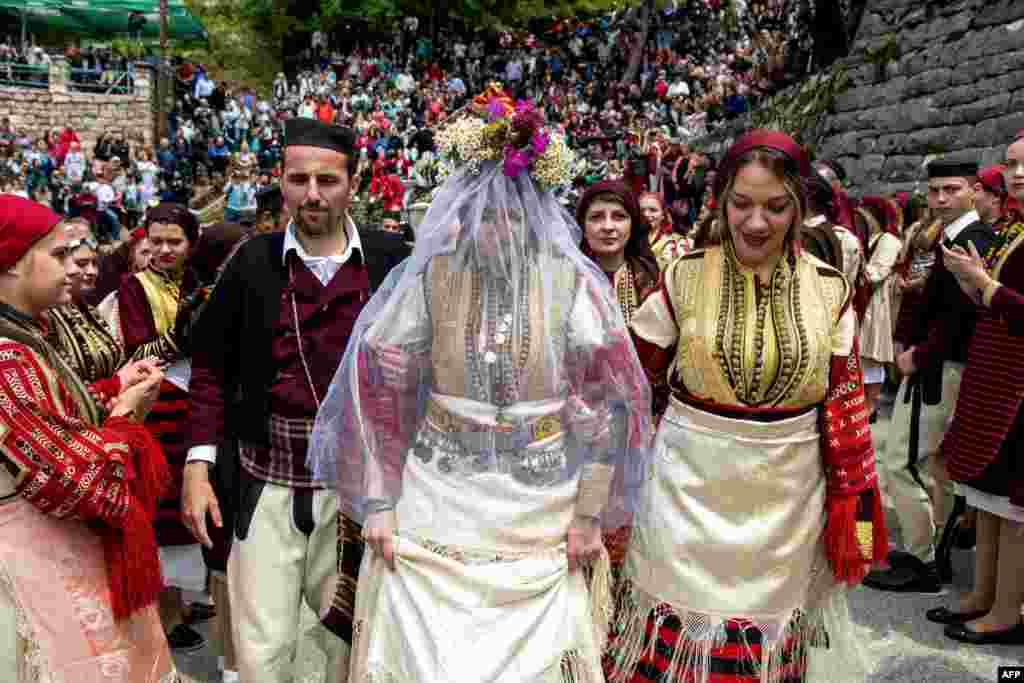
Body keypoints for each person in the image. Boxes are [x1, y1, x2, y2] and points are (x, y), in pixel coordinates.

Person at [307, 91, 653, 682]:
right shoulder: (433, 277)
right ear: (464, 214)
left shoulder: (571, 284)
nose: (500, 228)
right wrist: (381, 502)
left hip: (541, 499)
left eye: (514, 215)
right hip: (438, 496)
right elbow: (375, 391)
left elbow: (613, 404)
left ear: (537, 216)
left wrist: (589, 516)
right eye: (487, 215)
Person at [606, 130, 887, 683]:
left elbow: (845, 403)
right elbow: (631, 380)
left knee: (764, 650)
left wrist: (852, 516)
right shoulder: (684, 277)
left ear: (800, 207)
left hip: (787, 504)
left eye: (776, 207)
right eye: (742, 204)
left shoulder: (830, 289)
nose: (756, 223)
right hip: (687, 494)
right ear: (722, 202)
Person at [183, 118, 406, 683]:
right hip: (264, 484)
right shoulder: (251, 263)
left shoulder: (390, 262)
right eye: (298, 178)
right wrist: (197, 467)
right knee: (261, 652)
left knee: (343, 647)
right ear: (279, 182)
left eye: (327, 180)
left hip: (356, 492)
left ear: (353, 183)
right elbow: (209, 369)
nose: (312, 193)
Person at [0, 195, 174, 681]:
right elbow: (73, 481)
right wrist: (124, 420)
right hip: (29, 558)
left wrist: (117, 387)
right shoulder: (7, 355)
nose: (70, 268)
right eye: (57, 256)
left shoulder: (25, 336)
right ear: (12, 265)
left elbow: (53, 415)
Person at [866, 160, 995, 593]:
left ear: (974, 190)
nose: (940, 198)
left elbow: (963, 316)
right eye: (935, 190)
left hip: (943, 368)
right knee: (923, 464)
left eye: (951, 189)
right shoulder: (947, 235)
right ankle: (925, 551)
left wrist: (918, 353)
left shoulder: (973, 239)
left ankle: (924, 560)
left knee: (903, 462)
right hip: (935, 364)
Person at [928, 140, 1024, 645]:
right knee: (985, 495)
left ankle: (1008, 609)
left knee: (1013, 506)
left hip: (1019, 382)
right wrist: (973, 284)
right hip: (996, 371)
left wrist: (983, 285)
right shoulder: (1010, 228)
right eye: (1010, 164)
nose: (1017, 172)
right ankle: (982, 595)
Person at [117, 203, 207, 651]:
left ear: (191, 244)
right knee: (163, 501)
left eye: (175, 241)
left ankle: (184, 599)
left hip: (196, 397)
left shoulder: (194, 282)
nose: (165, 249)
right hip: (160, 401)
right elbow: (139, 349)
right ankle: (165, 613)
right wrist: (183, 334)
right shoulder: (134, 286)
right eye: (157, 241)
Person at [577, 180, 660, 326]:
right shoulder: (570, 281)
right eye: (596, 217)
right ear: (583, 228)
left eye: (619, 216)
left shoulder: (650, 278)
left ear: (632, 225)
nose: (608, 227)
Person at [855, 197, 902, 418]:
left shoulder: (888, 240)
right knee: (862, 354)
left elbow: (878, 272)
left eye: (866, 215)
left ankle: (870, 405)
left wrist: (857, 266)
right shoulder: (868, 238)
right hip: (864, 300)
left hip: (877, 301)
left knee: (872, 354)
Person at [638, 191, 690, 269]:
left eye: (653, 210)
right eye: (642, 210)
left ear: (663, 215)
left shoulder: (678, 242)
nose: (646, 214)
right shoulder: (631, 240)